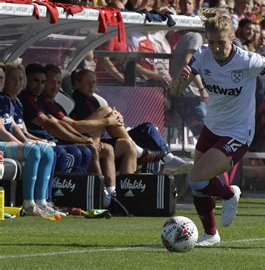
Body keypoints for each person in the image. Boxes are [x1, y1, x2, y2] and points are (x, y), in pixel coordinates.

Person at [170, 11, 265, 247]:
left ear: (232, 39)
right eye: (211, 42)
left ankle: (229, 194)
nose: (216, 47)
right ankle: (211, 234)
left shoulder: (247, 60)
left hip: (238, 133)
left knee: (197, 177)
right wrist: (181, 80)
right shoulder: (202, 56)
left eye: (221, 42)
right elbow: (176, 93)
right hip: (212, 127)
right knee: (198, 184)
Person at [70, 68, 191, 176]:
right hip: (89, 142)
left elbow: (107, 124)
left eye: (94, 82)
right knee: (110, 115)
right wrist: (109, 119)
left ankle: (169, 158)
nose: (92, 85)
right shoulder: (74, 101)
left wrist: (115, 118)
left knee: (148, 128)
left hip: (107, 137)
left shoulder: (95, 101)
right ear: (77, 84)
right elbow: (80, 127)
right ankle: (138, 151)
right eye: (88, 82)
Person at [0, 63, 60, 218]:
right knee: (33, 150)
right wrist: (24, 145)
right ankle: (28, 203)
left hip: (6, 143)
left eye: (20, 79)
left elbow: (16, 128)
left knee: (47, 150)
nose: (17, 83)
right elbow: (2, 131)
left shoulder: (13, 101)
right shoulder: (2, 99)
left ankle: (41, 201)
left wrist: (35, 141)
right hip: (2, 144)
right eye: (12, 79)